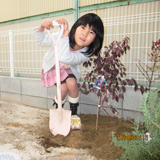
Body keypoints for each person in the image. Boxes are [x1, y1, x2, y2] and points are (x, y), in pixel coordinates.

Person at [34, 13, 104, 115]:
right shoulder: (61, 34)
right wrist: (42, 27)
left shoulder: (85, 54)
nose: (85, 34)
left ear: (96, 38)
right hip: (53, 67)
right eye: (83, 27)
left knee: (72, 83)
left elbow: (65, 58)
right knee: (62, 89)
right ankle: (58, 112)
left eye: (91, 32)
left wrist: (65, 34)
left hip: (67, 68)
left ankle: (73, 113)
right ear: (76, 27)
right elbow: (41, 40)